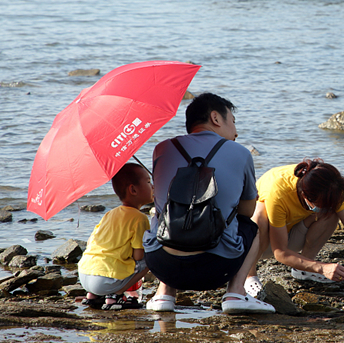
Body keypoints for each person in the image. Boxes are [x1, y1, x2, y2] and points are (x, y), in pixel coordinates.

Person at [143, 93, 274, 314]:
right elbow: (247, 211)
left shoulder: (162, 149)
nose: (235, 131)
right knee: (252, 226)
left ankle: (164, 294)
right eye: (232, 121)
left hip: (162, 265)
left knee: (164, 215)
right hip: (216, 267)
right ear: (215, 117)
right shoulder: (240, 153)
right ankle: (235, 293)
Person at [247, 159, 344, 297]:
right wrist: (322, 268)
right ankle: (249, 274)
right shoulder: (278, 192)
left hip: (290, 234)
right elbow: (280, 252)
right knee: (260, 213)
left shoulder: (332, 186)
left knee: (331, 214)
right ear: (305, 196)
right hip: (259, 244)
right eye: (321, 205)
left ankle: (303, 268)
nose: (327, 207)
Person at [78, 163, 152, 310]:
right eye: (149, 182)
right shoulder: (139, 218)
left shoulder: (109, 214)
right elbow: (138, 257)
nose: (153, 186)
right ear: (133, 189)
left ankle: (92, 296)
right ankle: (115, 296)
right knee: (151, 259)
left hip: (84, 275)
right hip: (105, 282)